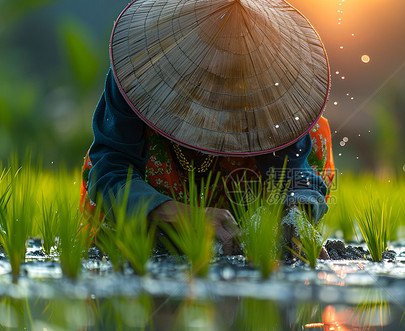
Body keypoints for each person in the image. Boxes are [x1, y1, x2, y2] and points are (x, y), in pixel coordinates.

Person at [80, 0, 335, 256]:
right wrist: (183, 215)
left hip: (238, 204)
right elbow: (111, 169)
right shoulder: (137, 73)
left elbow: (294, 173)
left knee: (315, 132)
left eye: (233, 77)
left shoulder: (274, 93)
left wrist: (296, 216)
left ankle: (240, 239)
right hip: (151, 206)